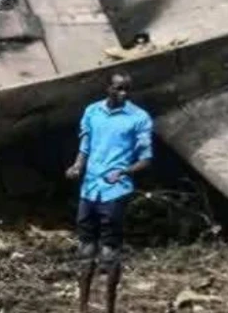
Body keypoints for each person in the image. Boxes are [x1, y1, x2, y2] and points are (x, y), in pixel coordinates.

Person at [65, 71, 153, 313]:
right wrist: (77, 166)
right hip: (89, 188)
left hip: (115, 191)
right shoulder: (92, 111)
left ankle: (109, 308)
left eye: (127, 89)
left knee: (109, 251)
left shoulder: (139, 118)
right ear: (108, 88)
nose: (123, 94)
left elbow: (145, 159)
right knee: (85, 248)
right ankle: (82, 307)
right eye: (119, 88)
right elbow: (85, 146)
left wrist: (123, 172)